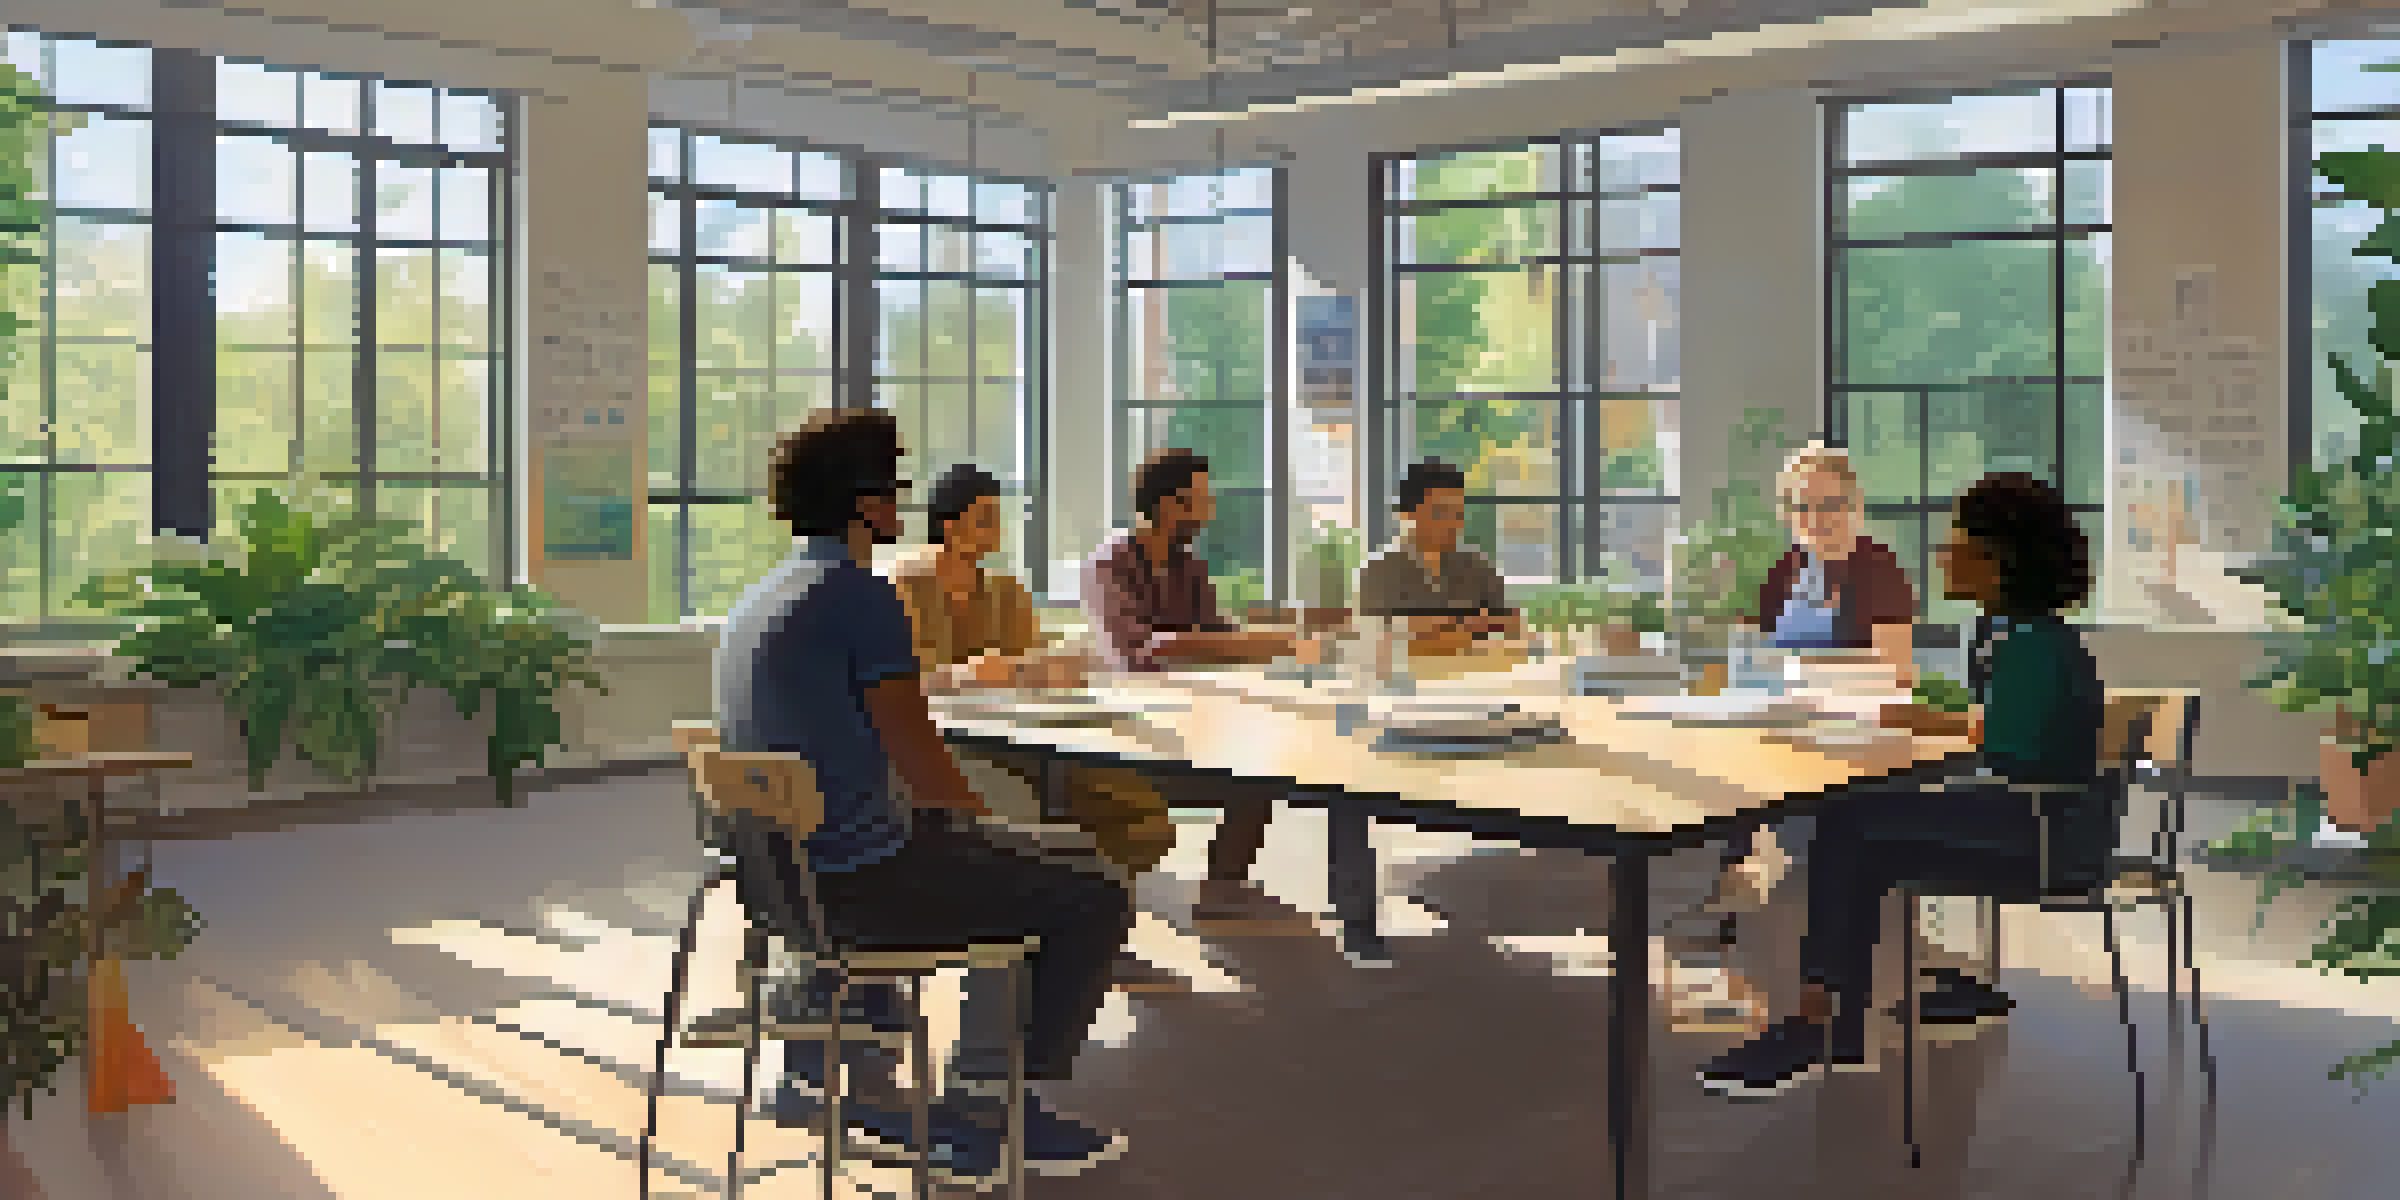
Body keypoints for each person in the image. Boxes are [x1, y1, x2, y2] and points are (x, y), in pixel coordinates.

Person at [715, 409, 1135, 1180]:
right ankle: (987, 1109)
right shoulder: (860, 596)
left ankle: (840, 1064)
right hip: (860, 883)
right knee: (1089, 885)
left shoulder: (760, 598)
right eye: (896, 488)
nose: (902, 503)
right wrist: (987, 837)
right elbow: (919, 754)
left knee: (1032, 864)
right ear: (867, 504)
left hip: (780, 883)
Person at [1696, 472, 2105, 1100]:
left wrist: (1938, 733)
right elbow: (2001, 734)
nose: (1942, 555)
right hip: (2045, 824)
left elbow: (2011, 752)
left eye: (1955, 543)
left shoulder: (2031, 645)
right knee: (1861, 832)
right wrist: (1937, 727)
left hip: (2047, 836)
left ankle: (1825, 1022)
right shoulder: (2017, 634)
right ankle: (1838, 1020)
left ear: (1995, 561)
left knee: (1848, 822)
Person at [893, 462, 1185, 991]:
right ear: (950, 524)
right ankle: (1047, 936)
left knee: (1140, 814)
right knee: (1022, 824)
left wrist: (1059, 663)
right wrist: (970, 674)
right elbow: (909, 680)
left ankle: (1091, 930)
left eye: (996, 518)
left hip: (1031, 736)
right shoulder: (906, 585)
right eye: (985, 518)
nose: (996, 530)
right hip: (952, 748)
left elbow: (1035, 668)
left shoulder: (1006, 590)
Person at [1082, 447, 1319, 929]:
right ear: (1170, 505)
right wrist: (1261, 642)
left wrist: (1270, 647)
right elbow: (1143, 652)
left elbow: (1220, 637)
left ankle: (1223, 886)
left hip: (1193, 719)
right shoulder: (1108, 566)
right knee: (1249, 767)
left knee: (1262, 767)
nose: (1210, 512)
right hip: (1130, 735)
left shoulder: (1189, 567)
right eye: (1202, 501)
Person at [1702, 443, 1921, 927]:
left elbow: (1900, 670)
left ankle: (1785, 901)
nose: (1815, 518)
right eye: (1802, 506)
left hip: (1855, 734)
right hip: (1786, 723)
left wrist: (1803, 670)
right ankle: (1740, 889)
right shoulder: (1786, 570)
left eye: (1828, 505)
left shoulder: (1879, 569)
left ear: (1855, 506)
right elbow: (1752, 652)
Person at [1354, 458, 1521, 655]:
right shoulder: (1378, 573)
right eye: (1440, 513)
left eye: (1458, 514)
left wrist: (1447, 629)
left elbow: (1512, 625)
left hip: (1477, 676)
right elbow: (1374, 642)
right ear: (1407, 513)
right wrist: (1467, 627)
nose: (1453, 524)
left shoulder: (1477, 566)